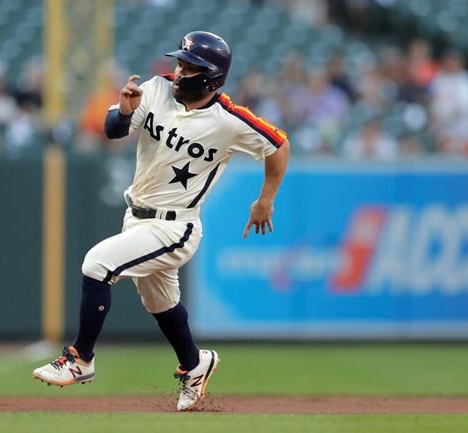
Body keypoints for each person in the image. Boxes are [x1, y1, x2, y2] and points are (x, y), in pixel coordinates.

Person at [32, 31, 290, 411]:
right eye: (180, 63)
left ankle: (80, 359)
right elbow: (113, 131)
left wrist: (265, 200)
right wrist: (122, 111)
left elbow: (279, 144)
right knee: (160, 302)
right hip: (136, 216)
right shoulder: (155, 89)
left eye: (189, 67)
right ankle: (195, 364)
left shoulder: (230, 120)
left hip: (176, 226)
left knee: (97, 264)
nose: (180, 70)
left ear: (211, 77)